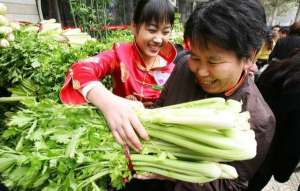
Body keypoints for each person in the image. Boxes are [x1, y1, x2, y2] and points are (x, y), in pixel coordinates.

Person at [138, 0, 275, 190]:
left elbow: (232, 184)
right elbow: (160, 107)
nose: (200, 71)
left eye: (213, 61)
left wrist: (172, 171)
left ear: (249, 58)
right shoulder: (184, 67)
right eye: (195, 56)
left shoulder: (259, 120)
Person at [60, 0, 176, 152]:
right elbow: (80, 68)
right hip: (118, 136)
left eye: (165, 32)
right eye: (152, 30)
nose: (159, 39)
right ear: (134, 28)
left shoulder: (173, 68)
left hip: (158, 143)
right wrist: (108, 102)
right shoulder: (119, 56)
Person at [248, 49, 300, 191]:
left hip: (243, 135)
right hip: (265, 159)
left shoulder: (275, 68)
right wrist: (282, 173)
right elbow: (293, 139)